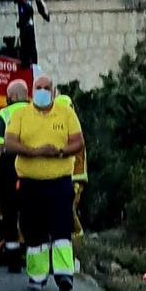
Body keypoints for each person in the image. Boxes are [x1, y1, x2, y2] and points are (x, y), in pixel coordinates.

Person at [5, 75, 84, 291]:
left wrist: (60, 152)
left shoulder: (66, 113)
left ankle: (64, 274)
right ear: (32, 92)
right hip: (30, 183)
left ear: (54, 91)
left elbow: (78, 141)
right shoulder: (21, 114)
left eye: (46, 88)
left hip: (59, 182)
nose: (42, 92)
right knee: (33, 231)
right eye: (38, 88)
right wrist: (34, 152)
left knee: (62, 228)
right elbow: (9, 143)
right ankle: (37, 276)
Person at [0, 79, 30, 272]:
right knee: (32, 213)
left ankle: (13, 260)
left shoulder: (5, 113)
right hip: (33, 166)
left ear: (11, 97)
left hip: (10, 167)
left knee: (9, 212)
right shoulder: (36, 112)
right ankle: (34, 258)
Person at [54, 93, 87, 241]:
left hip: (74, 179)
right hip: (69, 179)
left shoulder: (71, 133)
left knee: (68, 210)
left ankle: (78, 240)